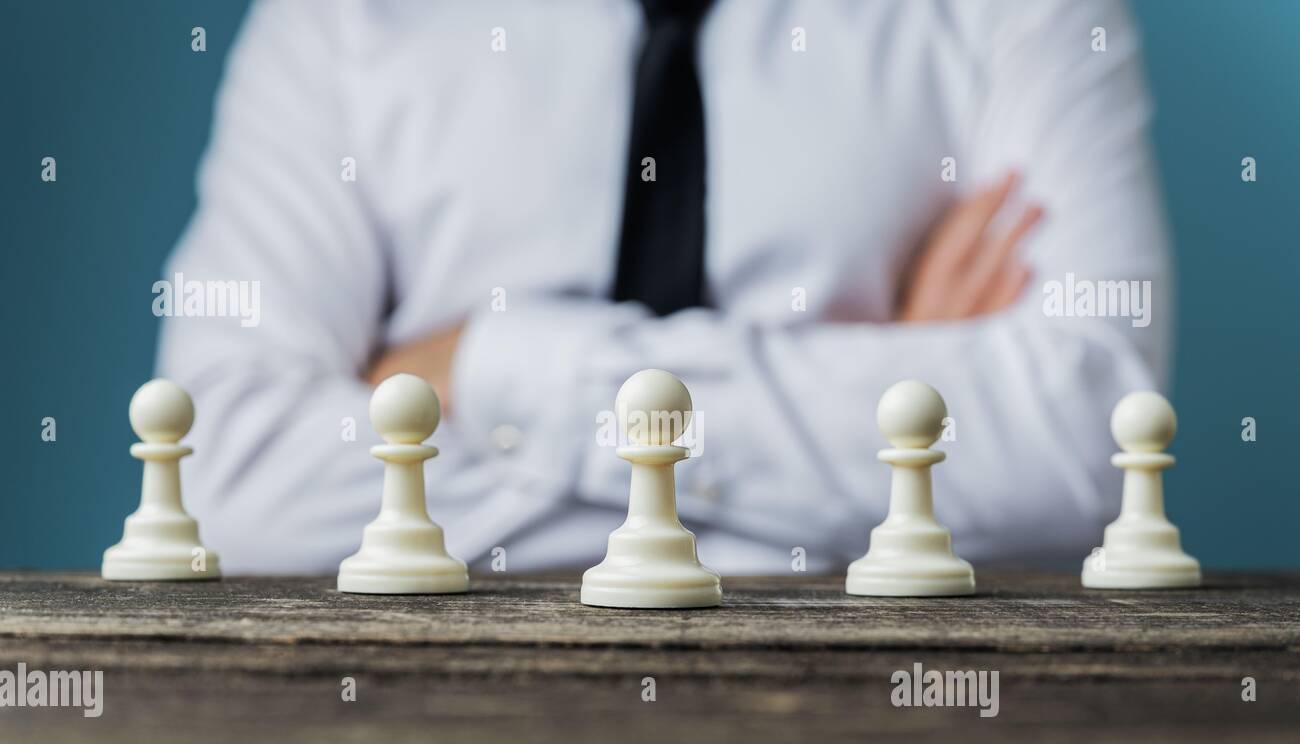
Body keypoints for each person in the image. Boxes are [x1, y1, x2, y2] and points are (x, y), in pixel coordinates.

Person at [158, 0, 1170, 574]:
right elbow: (234, 480)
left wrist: (480, 371)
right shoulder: (335, 24)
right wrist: (893, 431)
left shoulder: (1019, 16)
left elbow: (1080, 451)